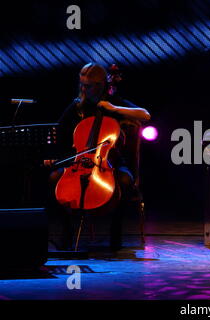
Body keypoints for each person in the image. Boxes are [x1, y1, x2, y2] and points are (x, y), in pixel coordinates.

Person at [47, 62, 150, 251]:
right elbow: (59, 133)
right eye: (81, 85)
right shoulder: (76, 106)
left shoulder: (114, 103)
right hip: (78, 161)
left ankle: (115, 236)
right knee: (54, 177)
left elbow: (145, 115)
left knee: (125, 180)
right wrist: (57, 156)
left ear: (101, 85)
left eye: (88, 86)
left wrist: (113, 108)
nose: (83, 90)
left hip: (110, 162)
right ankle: (66, 234)